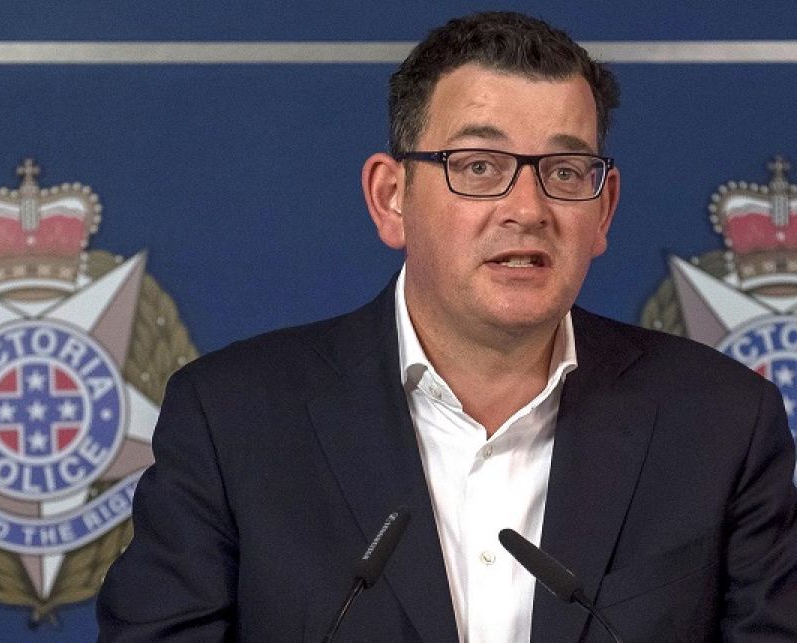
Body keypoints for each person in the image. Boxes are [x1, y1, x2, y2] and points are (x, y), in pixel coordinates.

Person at [97, 11, 797, 642]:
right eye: (480, 166)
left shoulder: (722, 423)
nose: (528, 209)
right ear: (390, 198)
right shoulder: (232, 420)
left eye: (564, 171)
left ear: (603, 209)